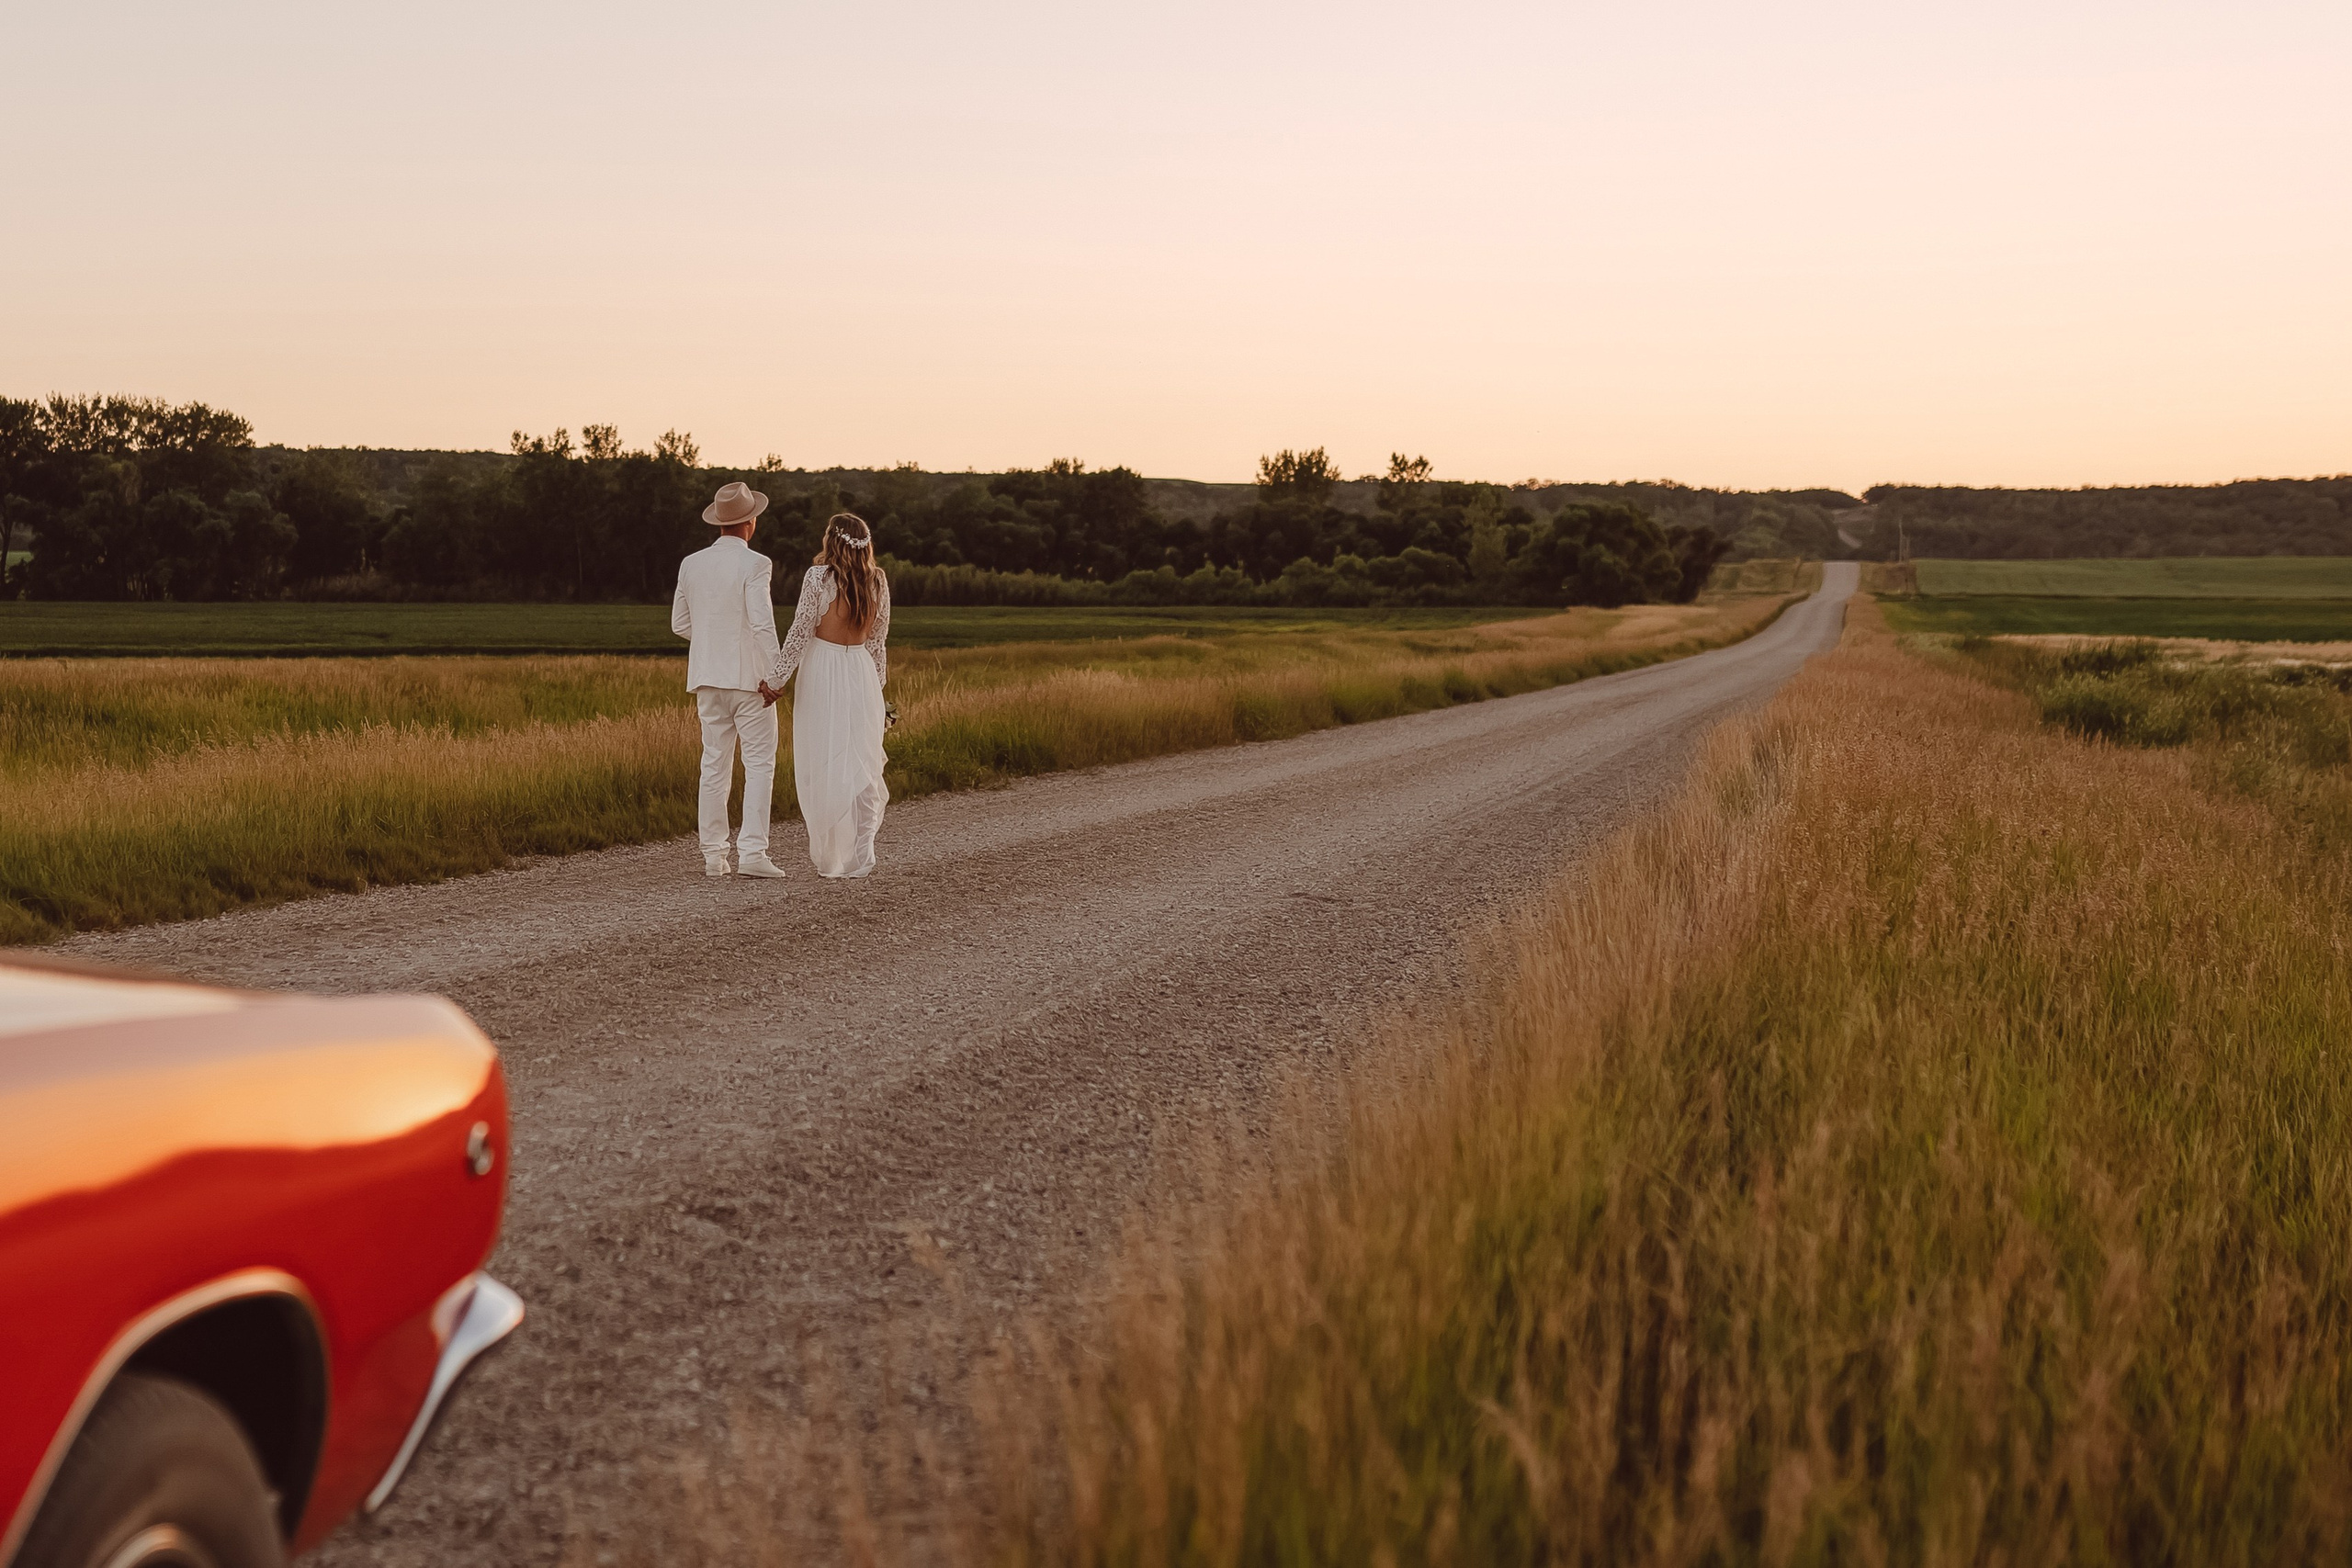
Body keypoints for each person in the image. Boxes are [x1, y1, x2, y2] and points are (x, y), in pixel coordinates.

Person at [760, 512, 891, 877]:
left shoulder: (818, 576)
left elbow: (801, 631)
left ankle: (833, 854)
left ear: (831, 541)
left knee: (822, 755)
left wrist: (776, 680)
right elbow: (878, 644)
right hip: (861, 672)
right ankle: (861, 853)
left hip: (823, 671)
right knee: (858, 756)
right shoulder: (878, 581)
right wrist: (878, 697)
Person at [673, 481, 787, 878]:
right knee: (758, 764)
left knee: (714, 764)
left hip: (706, 678)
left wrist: (714, 641)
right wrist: (777, 674)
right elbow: (762, 624)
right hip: (750, 681)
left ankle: (713, 857)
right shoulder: (756, 564)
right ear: (750, 522)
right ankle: (753, 854)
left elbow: (680, 624)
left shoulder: (691, 564)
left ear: (720, 523)